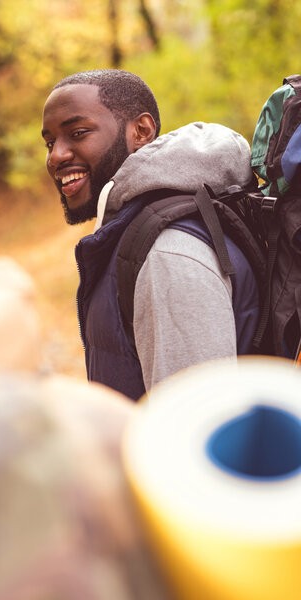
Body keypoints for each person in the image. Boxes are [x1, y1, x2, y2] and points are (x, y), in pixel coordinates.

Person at [42, 69, 259, 401]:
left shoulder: (168, 252)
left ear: (141, 131)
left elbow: (191, 426)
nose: (56, 155)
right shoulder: (136, 232)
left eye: (78, 132)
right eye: (50, 142)